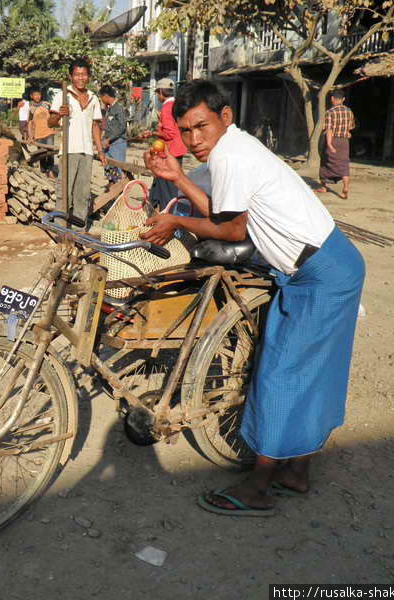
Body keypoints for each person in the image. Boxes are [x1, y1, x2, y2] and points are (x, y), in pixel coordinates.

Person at [142, 80, 365, 517]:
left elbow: (230, 230)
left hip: (322, 273)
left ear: (226, 117)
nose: (194, 139)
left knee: (280, 374)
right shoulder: (233, 149)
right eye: (185, 131)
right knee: (314, 369)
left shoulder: (232, 154)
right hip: (323, 266)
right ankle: (296, 471)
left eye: (202, 126)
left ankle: (260, 488)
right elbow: (221, 212)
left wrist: (174, 226)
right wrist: (178, 177)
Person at [48, 58, 106, 227]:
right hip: (68, 150)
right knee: (64, 193)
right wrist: (59, 114)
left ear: (88, 77)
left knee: (83, 194)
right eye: (76, 75)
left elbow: (95, 126)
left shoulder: (94, 98)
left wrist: (100, 151)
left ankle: (79, 232)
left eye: (83, 75)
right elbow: (50, 122)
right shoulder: (62, 96)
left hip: (87, 152)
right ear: (71, 76)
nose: (80, 78)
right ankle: (60, 231)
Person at [140, 78, 186, 210]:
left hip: (169, 153)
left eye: (157, 93)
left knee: (168, 191)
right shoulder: (176, 104)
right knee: (162, 185)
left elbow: (169, 134)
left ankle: (168, 220)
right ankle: (154, 209)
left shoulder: (166, 107)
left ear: (160, 92)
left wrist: (153, 133)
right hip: (178, 150)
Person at [316, 89, 355, 199]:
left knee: (325, 162)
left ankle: (323, 187)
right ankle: (345, 188)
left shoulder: (330, 112)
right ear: (343, 99)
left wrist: (329, 144)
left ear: (332, 99)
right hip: (344, 142)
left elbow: (329, 129)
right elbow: (351, 126)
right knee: (344, 164)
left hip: (333, 140)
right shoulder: (349, 111)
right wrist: (346, 132)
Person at [99, 85, 128, 187]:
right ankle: (112, 192)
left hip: (117, 143)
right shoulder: (109, 109)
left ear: (106, 96)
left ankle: (118, 194)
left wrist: (109, 139)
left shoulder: (118, 108)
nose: (101, 100)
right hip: (109, 144)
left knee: (117, 169)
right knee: (109, 168)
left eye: (101, 97)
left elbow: (122, 127)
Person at [26, 88, 56, 177]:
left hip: (49, 132)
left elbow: (55, 112)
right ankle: (44, 170)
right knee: (41, 153)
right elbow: (29, 124)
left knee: (50, 151)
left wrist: (50, 104)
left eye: (39, 94)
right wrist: (30, 137)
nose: (38, 96)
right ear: (32, 96)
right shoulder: (31, 109)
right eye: (35, 95)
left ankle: (50, 170)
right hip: (38, 134)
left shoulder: (46, 105)